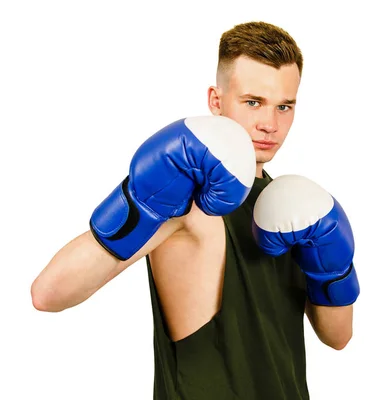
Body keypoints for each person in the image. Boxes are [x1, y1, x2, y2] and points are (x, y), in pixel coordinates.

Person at [31, 21, 360, 399]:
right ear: (216, 101)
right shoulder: (186, 202)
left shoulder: (293, 210)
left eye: (284, 106)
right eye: (253, 102)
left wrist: (334, 267)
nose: (270, 124)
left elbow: (338, 338)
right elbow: (49, 293)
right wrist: (140, 200)